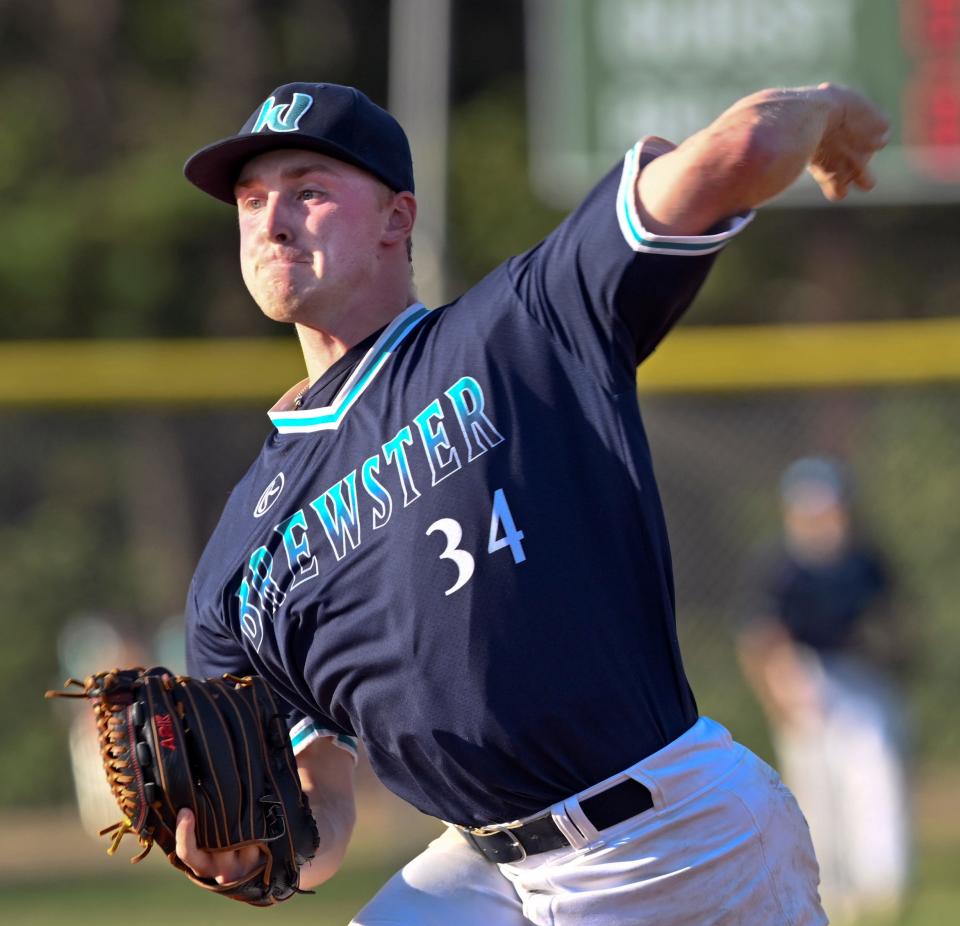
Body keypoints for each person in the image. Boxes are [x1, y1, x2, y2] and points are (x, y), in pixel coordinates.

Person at [175, 80, 889, 924]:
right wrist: (270, 850)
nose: (272, 218)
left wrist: (826, 108)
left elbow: (736, 153)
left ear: (398, 220)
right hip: (484, 870)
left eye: (310, 190)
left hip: (674, 843)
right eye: (252, 199)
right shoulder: (238, 568)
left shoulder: (521, 332)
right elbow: (320, 804)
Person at [738, 458, 911, 925]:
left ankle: (880, 888)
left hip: (857, 674)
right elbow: (761, 641)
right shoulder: (782, 565)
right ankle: (830, 886)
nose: (823, 519)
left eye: (830, 508)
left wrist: (890, 656)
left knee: (874, 771)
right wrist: (780, 701)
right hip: (803, 673)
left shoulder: (863, 559)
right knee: (817, 785)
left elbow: (891, 624)